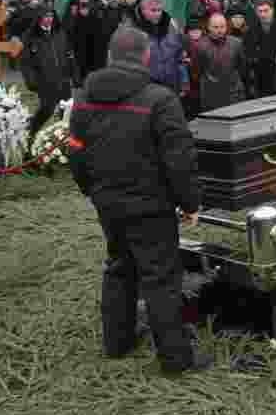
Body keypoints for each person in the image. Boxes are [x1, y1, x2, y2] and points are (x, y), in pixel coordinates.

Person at [68, 26, 212, 375]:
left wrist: (93, 191)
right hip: (151, 207)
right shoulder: (160, 100)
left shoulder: (84, 99)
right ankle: (176, 359)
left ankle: (117, 342)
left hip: (109, 203)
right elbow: (179, 158)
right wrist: (190, 202)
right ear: (145, 56)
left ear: (111, 56)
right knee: (161, 279)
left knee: (119, 267)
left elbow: (75, 152)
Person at [20, 7, 79, 143]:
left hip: (63, 80)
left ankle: (63, 142)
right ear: (39, 18)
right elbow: (25, 63)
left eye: (51, 16)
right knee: (46, 110)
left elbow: (70, 55)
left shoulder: (60, 34)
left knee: (66, 112)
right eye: (45, 16)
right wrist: (31, 81)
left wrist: (75, 75)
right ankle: (29, 134)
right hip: (45, 82)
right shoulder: (30, 37)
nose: (49, 19)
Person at [129, 0, 184, 94]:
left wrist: (183, 80)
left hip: (171, 85)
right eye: (153, 10)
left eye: (160, 10)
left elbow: (179, 56)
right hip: (145, 87)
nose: (157, 13)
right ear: (143, 9)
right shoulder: (132, 30)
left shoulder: (172, 26)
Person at [194, 13, 247, 112]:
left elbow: (242, 66)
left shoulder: (236, 43)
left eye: (222, 26)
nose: (219, 30)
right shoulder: (200, 46)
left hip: (233, 93)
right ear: (209, 27)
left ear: (226, 26)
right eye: (215, 27)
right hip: (211, 95)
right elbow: (197, 70)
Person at [242, 0, 276, 98]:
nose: (263, 14)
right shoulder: (251, 30)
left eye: (266, 11)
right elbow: (247, 53)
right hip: (260, 76)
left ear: (272, 10)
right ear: (256, 13)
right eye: (260, 11)